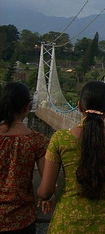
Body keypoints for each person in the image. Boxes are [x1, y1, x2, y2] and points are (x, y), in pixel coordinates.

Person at [37, 81, 105, 233]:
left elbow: (45, 191)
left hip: (67, 225)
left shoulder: (60, 139)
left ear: (79, 106)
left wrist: (42, 195)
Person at [0, 82, 51, 233]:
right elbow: (46, 186)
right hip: (22, 222)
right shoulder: (37, 141)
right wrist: (47, 196)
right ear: (26, 108)